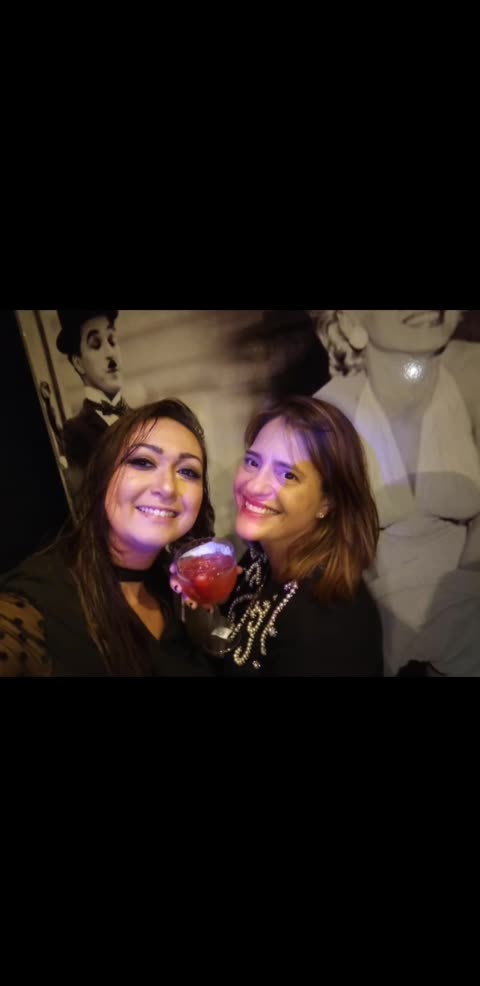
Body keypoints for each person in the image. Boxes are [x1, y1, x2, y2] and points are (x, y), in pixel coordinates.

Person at [314, 310, 480, 676]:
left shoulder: (474, 374)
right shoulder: (327, 414)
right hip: (369, 616)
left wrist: (462, 598)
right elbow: (331, 551)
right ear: (352, 323)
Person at [0, 398, 216, 676]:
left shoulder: (174, 587)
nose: (167, 488)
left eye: (187, 471)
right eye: (143, 462)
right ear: (102, 476)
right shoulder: (34, 604)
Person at [173, 396, 383, 676]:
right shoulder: (259, 561)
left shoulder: (329, 626)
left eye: (288, 476)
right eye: (252, 462)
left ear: (328, 502)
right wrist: (203, 613)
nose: (255, 486)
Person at [56, 309, 128, 475]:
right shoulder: (74, 434)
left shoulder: (143, 420)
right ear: (78, 363)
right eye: (96, 344)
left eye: (112, 340)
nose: (110, 353)